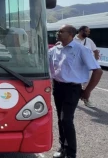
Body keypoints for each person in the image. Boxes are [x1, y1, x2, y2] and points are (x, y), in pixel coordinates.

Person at [49, 24, 103, 158]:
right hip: (58, 88)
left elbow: (98, 71)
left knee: (66, 119)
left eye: (61, 31)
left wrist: (87, 91)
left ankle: (71, 153)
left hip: (72, 89)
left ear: (71, 34)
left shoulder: (81, 50)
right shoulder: (55, 50)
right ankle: (62, 149)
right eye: (58, 31)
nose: (58, 33)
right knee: (61, 120)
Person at [73, 25, 100, 107]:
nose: (88, 33)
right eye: (87, 31)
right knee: (73, 84)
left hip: (86, 68)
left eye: (89, 32)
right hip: (74, 67)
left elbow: (95, 51)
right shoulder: (72, 40)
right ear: (81, 31)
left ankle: (86, 99)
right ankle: (70, 100)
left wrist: (94, 62)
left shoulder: (89, 41)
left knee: (87, 85)